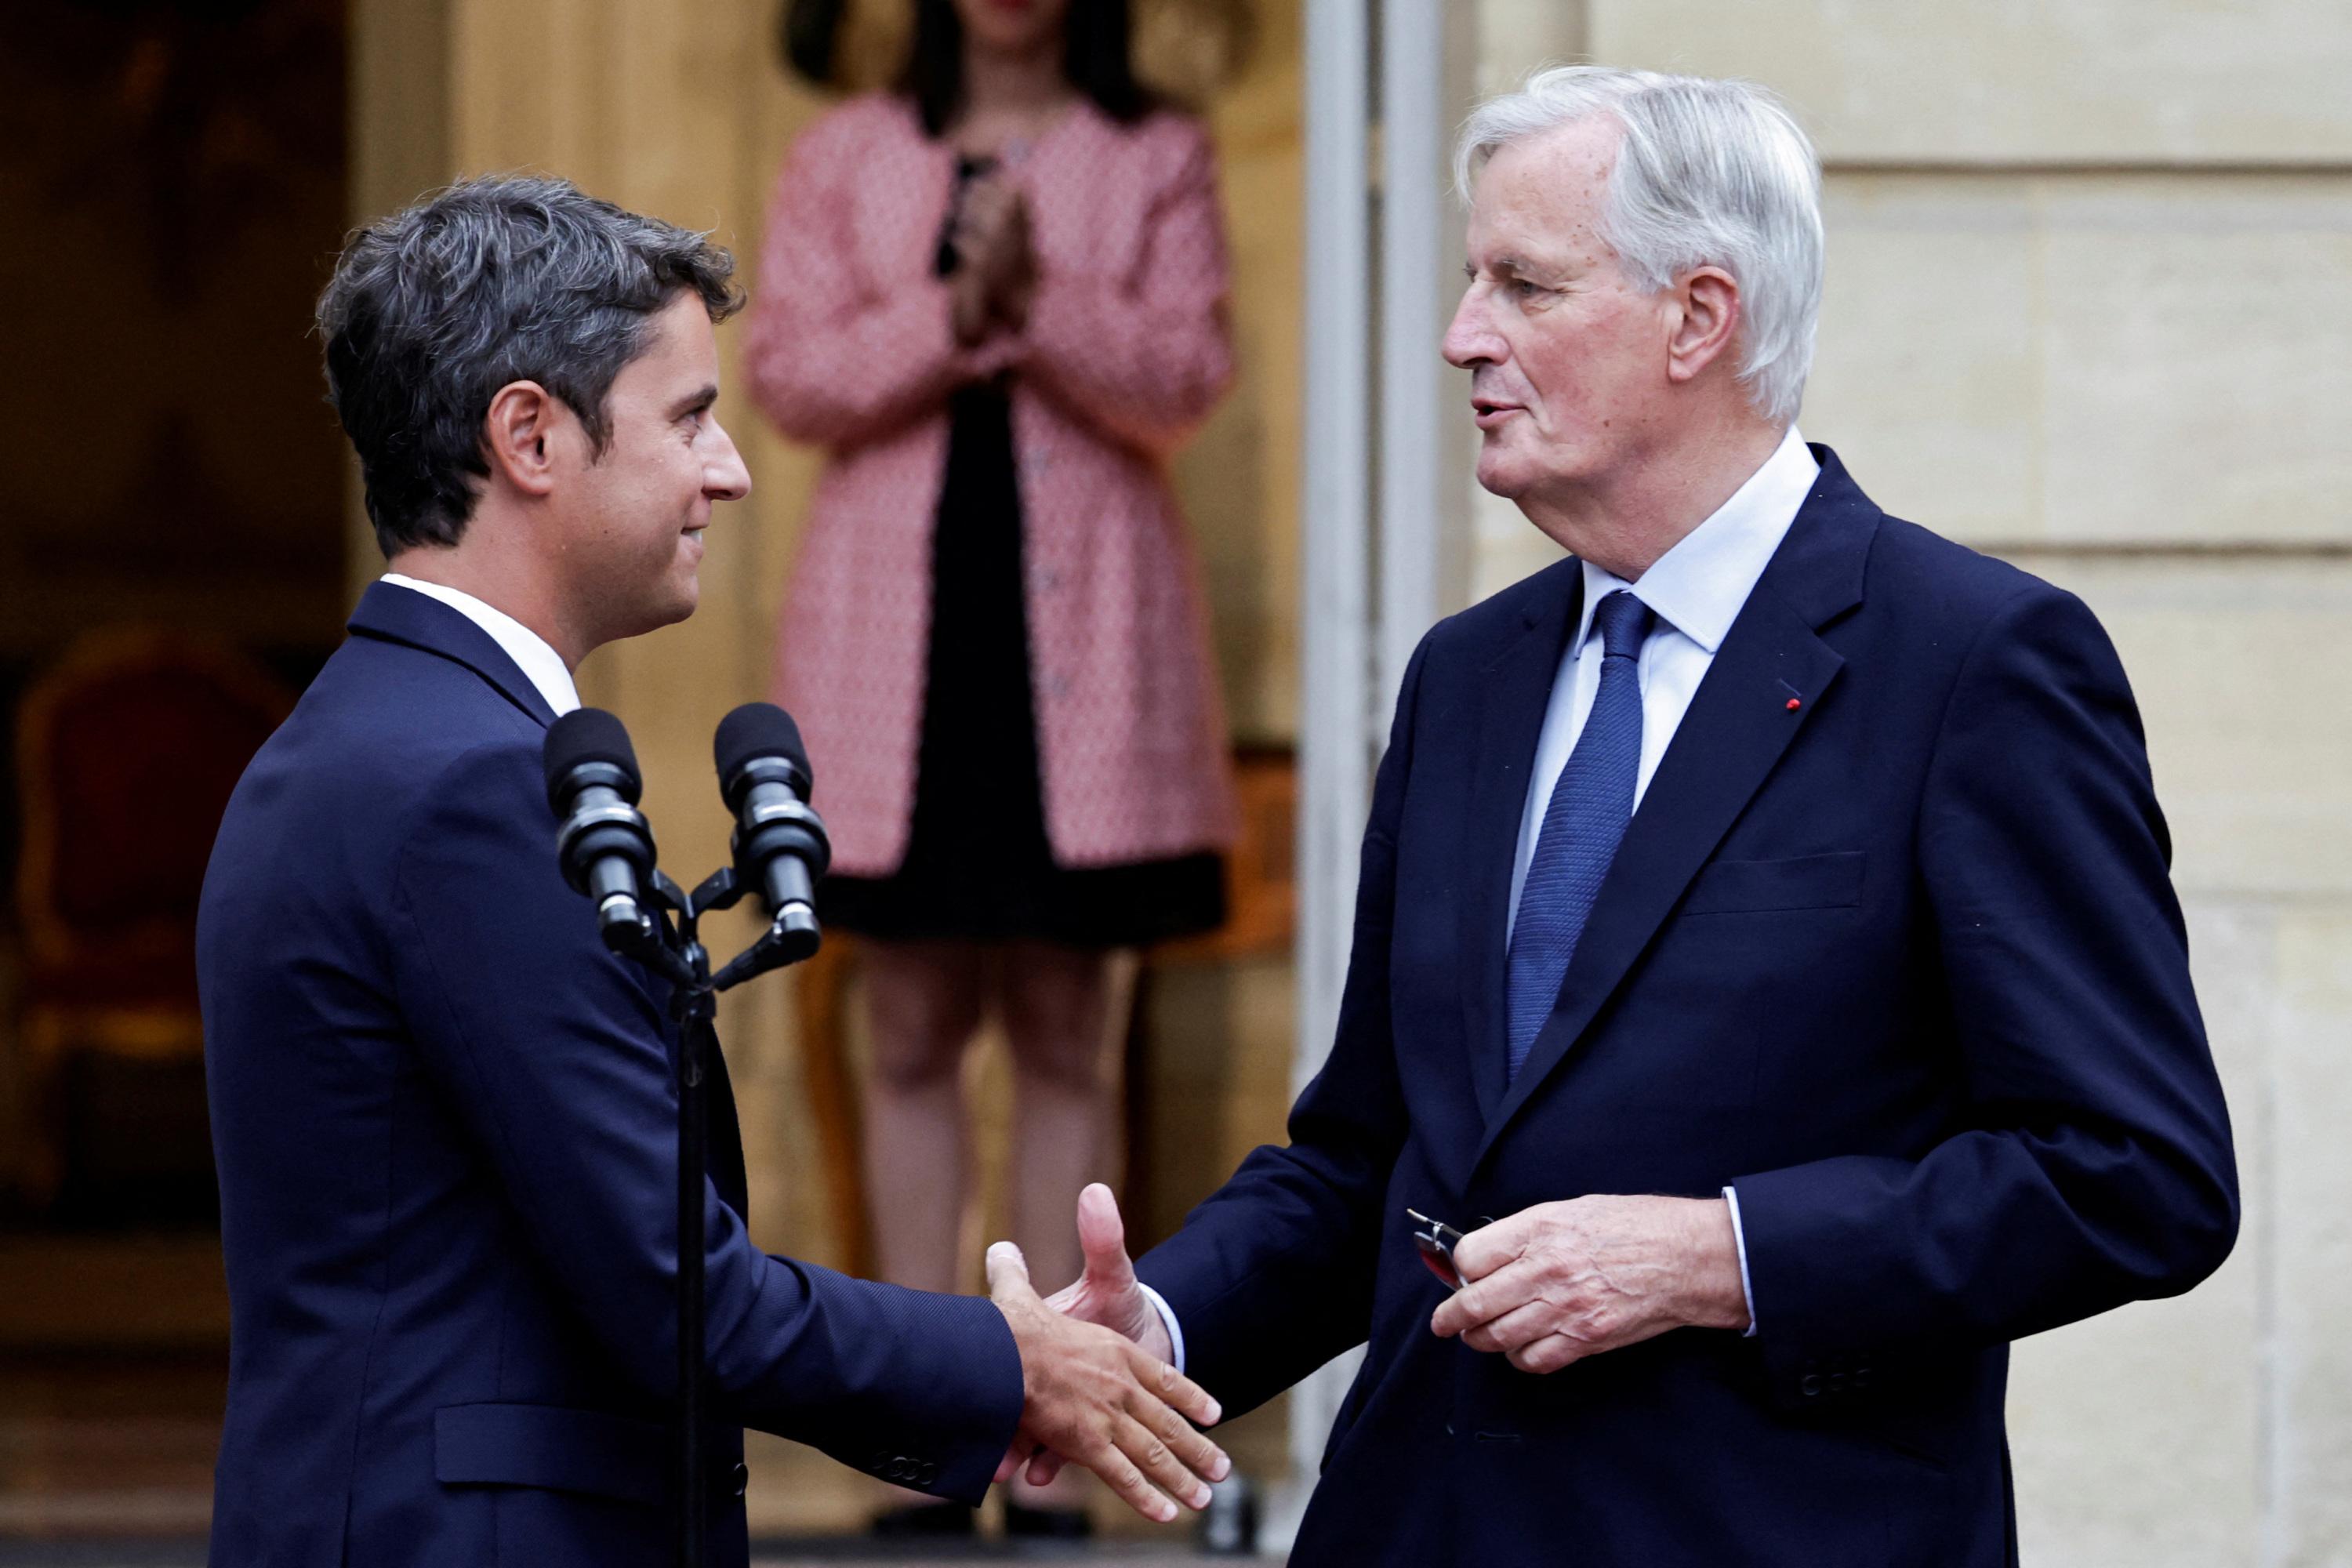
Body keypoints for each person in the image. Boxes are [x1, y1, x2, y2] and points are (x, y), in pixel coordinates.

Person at [1018, 67, 2241, 1565]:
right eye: (1474, 281)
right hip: (1425, 1522)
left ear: (1698, 317)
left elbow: (2134, 1173)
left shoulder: (1972, 661)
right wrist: (1155, 1321)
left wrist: (1723, 1255)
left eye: (1524, 285)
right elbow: (1372, 1162)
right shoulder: (1468, 676)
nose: (1465, 335)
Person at [197, 174, 1228, 1568]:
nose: (731, 471)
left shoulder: (369, 736)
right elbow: (682, 1291)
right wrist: (1013, 1366)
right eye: (687, 418)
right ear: (530, 437)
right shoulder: (469, 787)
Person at [744, 0, 1236, 1536]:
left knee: (1065, 1025)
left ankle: (1068, 1438)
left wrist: (1042, 296)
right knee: (904, 1024)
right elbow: (792, 378)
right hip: (900, 640)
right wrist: (959, 310)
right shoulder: (846, 151)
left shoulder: (1156, 149)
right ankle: (920, 1429)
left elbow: (1183, 375)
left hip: (1082, 642)